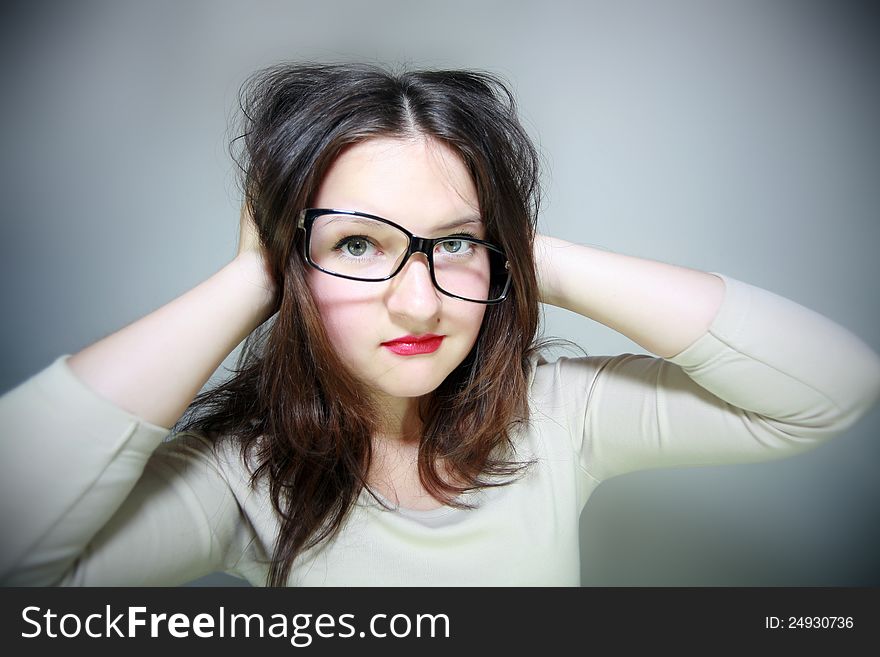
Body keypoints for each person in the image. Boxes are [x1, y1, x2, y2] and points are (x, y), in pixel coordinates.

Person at [1, 63, 878, 587]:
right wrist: (246, 279)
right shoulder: (242, 476)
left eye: (454, 242)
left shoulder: (555, 417)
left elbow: (830, 390)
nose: (420, 302)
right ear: (289, 266)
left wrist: (518, 252)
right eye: (354, 244)